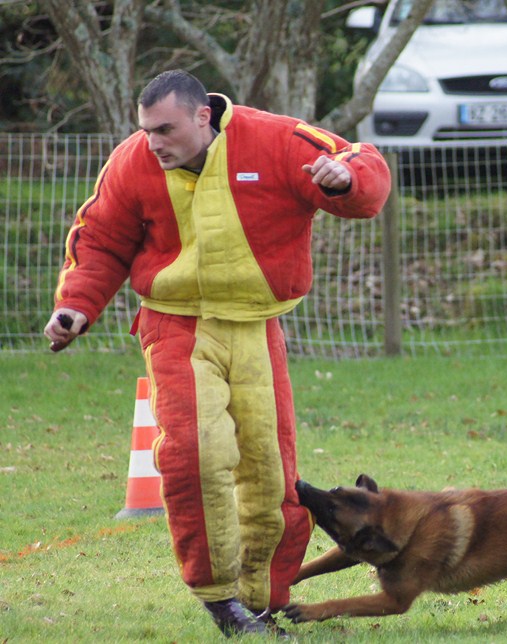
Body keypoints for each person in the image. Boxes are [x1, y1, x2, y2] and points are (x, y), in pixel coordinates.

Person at [43, 69, 391, 637]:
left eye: (164, 129)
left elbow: (363, 168)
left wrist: (342, 179)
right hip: (175, 325)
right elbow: (101, 237)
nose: (152, 142)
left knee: (270, 472)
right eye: (146, 130)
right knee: (194, 453)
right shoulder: (134, 161)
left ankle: (265, 599)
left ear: (203, 116)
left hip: (258, 327)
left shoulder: (276, 139)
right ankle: (221, 600)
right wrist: (77, 306)